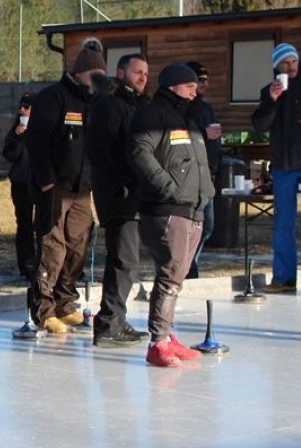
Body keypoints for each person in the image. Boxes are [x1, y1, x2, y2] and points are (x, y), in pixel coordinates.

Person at [129, 62, 213, 368]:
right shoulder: (153, 115)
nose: (195, 92)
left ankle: (168, 334)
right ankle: (158, 342)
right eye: (190, 87)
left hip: (195, 207)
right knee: (169, 273)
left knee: (177, 276)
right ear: (174, 86)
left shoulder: (187, 118)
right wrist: (167, 187)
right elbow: (140, 151)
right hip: (168, 208)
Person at [27, 38, 107, 335]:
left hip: (83, 188)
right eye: (93, 75)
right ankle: (44, 308)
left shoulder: (95, 101)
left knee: (78, 245)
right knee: (53, 247)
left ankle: (65, 302)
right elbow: (36, 141)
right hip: (56, 186)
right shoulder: (53, 97)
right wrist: (46, 180)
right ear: (78, 74)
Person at [251, 43, 301, 296]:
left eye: (294, 60)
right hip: (283, 165)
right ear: (276, 66)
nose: (291, 66)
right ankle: (283, 277)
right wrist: (272, 101)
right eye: (285, 63)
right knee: (283, 224)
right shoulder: (269, 91)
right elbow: (259, 125)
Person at [86, 53, 151, 347]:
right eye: (137, 72)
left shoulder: (138, 106)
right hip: (117, 195)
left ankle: (114, 320)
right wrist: (121, 186)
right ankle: (109, 323)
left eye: (146, 74)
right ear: (121, 72)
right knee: (124, 260)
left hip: (134, 193)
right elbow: (101, 152)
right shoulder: (110, 105)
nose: (142, 77)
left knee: (126, 261)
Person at [185, 60, 221, 279]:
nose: (204, 84)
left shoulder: (206, 107)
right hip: (191, 173)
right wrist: (204, 135)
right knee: (195, 223)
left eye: (207, 80)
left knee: (207, 226)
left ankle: (191, 263)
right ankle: (188, 268)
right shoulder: (186, 107)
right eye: (201, 80)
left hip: (209, 171)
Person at [2, 91, 37, 282]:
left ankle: (43, 261)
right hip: (21, 183)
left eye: (27, 107)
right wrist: (17, 137)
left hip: (41, 182)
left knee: (42, 224)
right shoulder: (18, 127)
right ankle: (26, 263)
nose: (22, 110)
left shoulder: (43, 126)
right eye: (21, 106)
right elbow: (9, 154)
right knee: (24, 224)